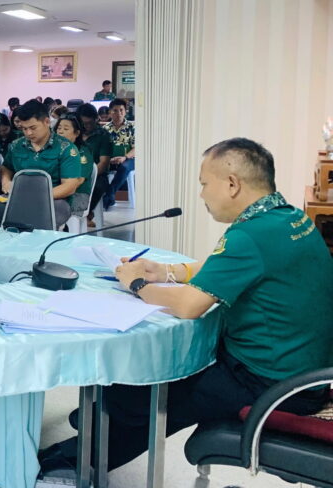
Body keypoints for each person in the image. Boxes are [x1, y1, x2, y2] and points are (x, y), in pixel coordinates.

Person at [38, 138, 333, 481]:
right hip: (297, 371)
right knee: (149, 384)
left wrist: (136, 284)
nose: (201, 194)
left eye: (205, 184)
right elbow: (222, 266)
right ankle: (92, 428)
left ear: (232, 184)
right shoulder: (287, 218)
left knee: (152, 396)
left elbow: (189, 306)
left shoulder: (249, 235)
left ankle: (78, 451)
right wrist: (165, 272)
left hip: (271, 385)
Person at [0, 100, 81, 227]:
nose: (28, 133)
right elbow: (6, 167)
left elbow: (69, 186)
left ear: (47, 122)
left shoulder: (66, 148)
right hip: (19, 197)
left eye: (33, 128)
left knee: (41, 218)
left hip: (53, 199)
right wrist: (6, 182)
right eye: (24, 128)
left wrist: (38, 196)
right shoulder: (16, 145)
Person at [77, 103, 112, 228]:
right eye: (83, 123)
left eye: (89, 123)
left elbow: (103, 163)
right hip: (74, 172)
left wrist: (87, 176)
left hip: (96, 173)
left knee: (98, 186)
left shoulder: (103, 135)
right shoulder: (75, 134)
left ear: (96, 119)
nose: (86, 127)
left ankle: (86, 214)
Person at [54, 115, 93, 217]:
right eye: (59, 128)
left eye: (66, 129)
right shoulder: (53, 150)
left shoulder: (83, 152)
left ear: (77, 133)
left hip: (77, 194)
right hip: (55, 191)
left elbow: (78, 182)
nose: (60, 132)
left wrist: (50, 194)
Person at [102, 99, 135, 210]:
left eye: (121, 110)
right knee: (99, 168)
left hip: (129, 159)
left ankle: (110, 194)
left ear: (125, 111)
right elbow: (102, 148)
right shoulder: (105, 129)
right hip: (110, 159)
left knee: (124, 167)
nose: (119, 113)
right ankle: (106, 195)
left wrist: (124, 157)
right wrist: (108, 159)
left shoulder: (132, 127)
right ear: (110, 112)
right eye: (115, 110)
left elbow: (137, 148)